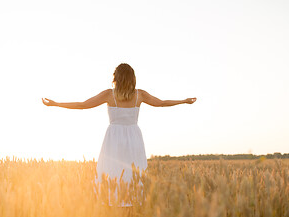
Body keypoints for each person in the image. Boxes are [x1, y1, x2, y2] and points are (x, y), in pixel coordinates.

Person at [42, 63, 196, 205]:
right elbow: (162, 103)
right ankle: (132, 207)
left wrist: (56, 104)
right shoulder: (139, 95)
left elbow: (82, 105)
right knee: (133, 173)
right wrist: (184, 101)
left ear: (116, 77)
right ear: (133, 78)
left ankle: (112, 207)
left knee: (111, 171)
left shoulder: (109, 95)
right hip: (134, 137)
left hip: (113, 138)